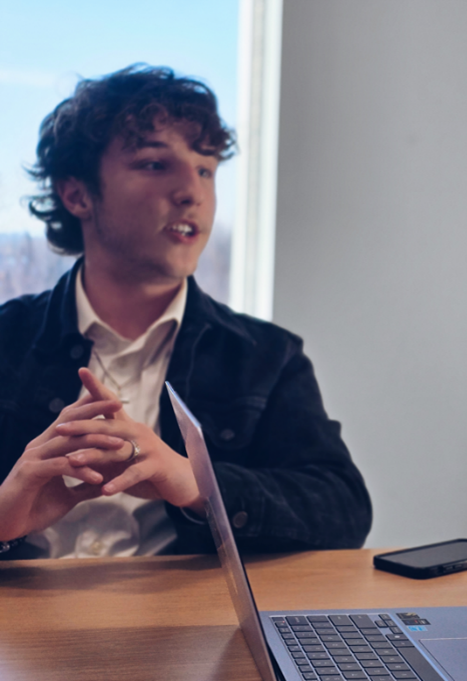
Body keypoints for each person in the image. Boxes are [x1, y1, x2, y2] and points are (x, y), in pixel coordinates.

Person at [0, 65, 372, 559]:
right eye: (156, 164)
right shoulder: (7, 340)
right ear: (76, 194)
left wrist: (198, 483)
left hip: (191, 629)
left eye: (205, 170)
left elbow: (344, 511)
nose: (192, 192)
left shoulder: (267, 356)